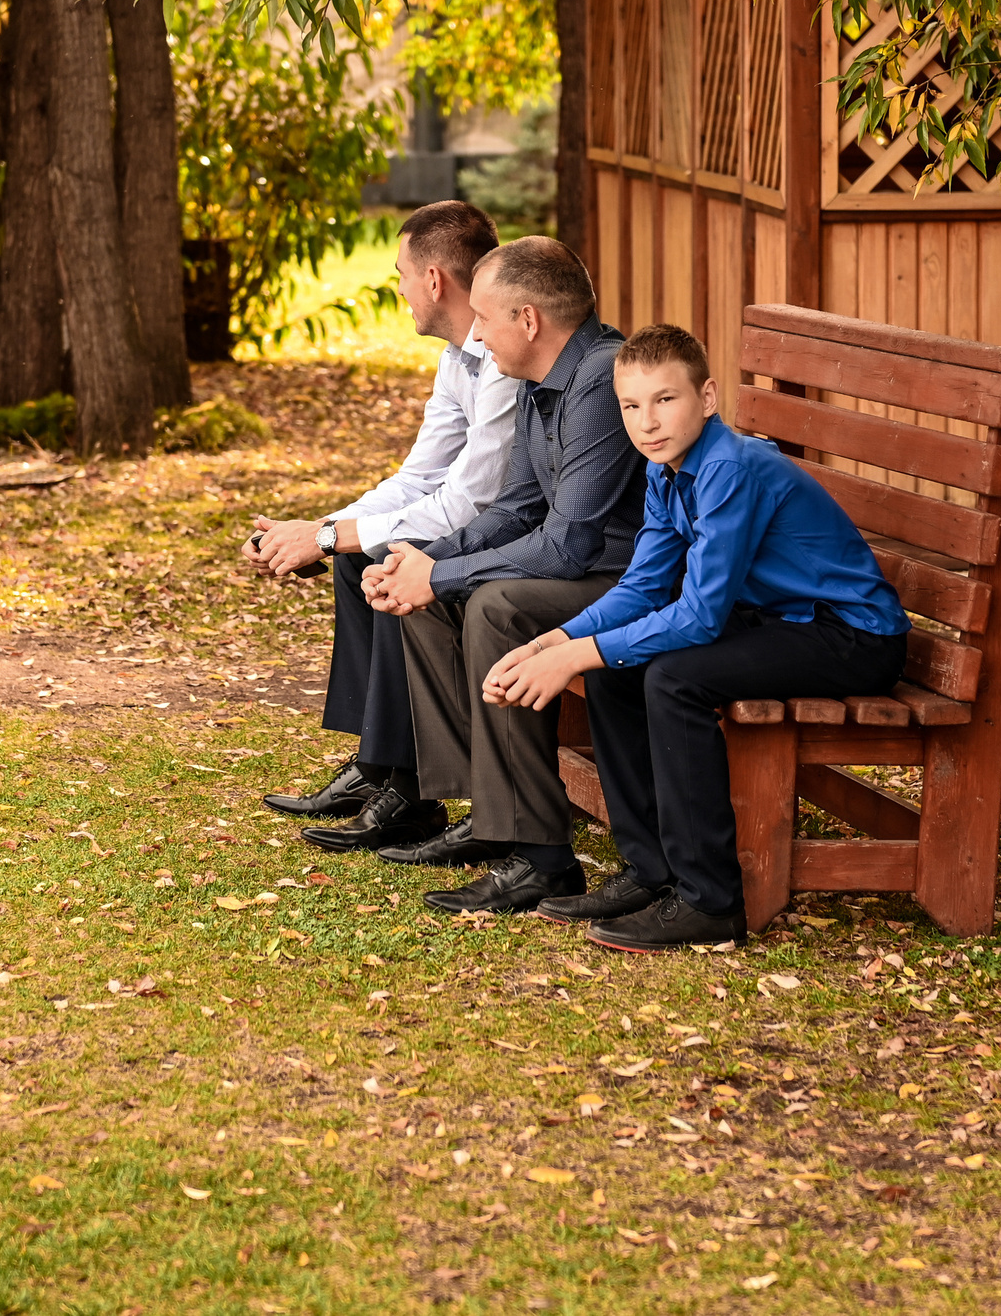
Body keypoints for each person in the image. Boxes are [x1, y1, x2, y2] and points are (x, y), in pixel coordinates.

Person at [479, 323, 910, 952]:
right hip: (777, 620)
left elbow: (702, 616)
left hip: (850, 635)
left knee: (673, 677)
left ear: (707, 399)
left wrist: (576, 652)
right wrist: (554, 644)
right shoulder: (665, 469)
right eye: (631, 406)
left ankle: (708, 901)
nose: (647, 422)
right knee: (620, 662)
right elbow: (643, 587)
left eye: (665, 400)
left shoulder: (729, 469)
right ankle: (651, 871)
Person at [362, 237, 646, 912]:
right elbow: (517, 505)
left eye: (486, 319)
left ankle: (542, 857)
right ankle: (489, 816)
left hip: (628, 582)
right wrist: (430, 560)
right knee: (431, 597)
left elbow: (569, 545)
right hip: (582, 571)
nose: (478, 334)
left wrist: (448, 572)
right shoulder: (536, 382)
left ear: (529, 320)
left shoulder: (601, 381)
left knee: (493, 605)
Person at [247, 201, 520, 856]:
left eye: (401, 273)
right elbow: (418, 475)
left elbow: (467, 502)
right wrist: (324, 527)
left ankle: (404, 786)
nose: (397, 288)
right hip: (475, 526)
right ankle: (384, 767)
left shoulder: (503, 363)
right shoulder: (460, 357)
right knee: (358, 549)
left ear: (433, 280)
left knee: (382, 554)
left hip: (508, 537)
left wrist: (330, 537)